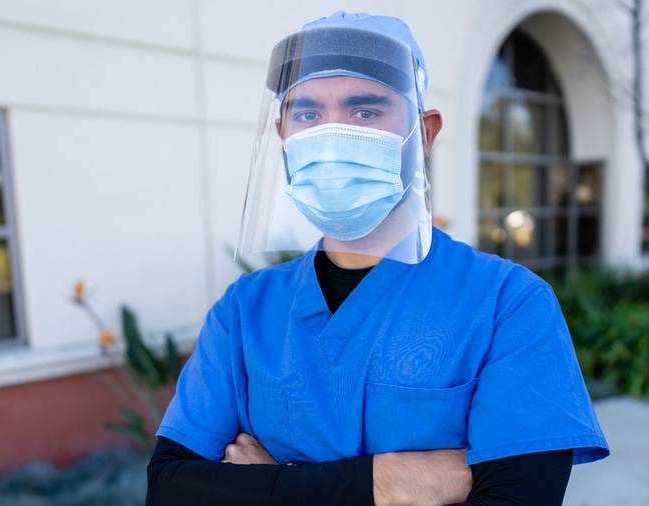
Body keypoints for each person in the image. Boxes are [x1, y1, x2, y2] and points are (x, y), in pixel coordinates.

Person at [146, 11, 609, 506]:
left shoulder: (508, 304)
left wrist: (273, 483)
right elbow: (170, 488)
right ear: (282, 133)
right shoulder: (245, 311)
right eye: (307, 115)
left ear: (424, 135)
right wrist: (385, 480)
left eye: (365, 112)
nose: (331, 136)